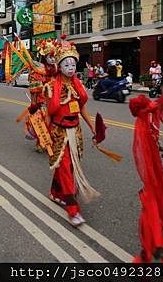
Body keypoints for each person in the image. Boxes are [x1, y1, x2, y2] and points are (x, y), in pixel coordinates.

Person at [44, 39, 99, 227]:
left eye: (73, 64)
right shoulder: (51, 87)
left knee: (69, 167)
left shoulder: (77, 86)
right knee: (66, 167)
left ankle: (55, 192)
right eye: (66, 64)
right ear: (59, 67)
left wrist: (93, 127)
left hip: (75, 132)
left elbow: (82, 109)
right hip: (59, 133)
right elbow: (48, 115)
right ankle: (73, 209)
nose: (70, 67)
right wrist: (46, 137)